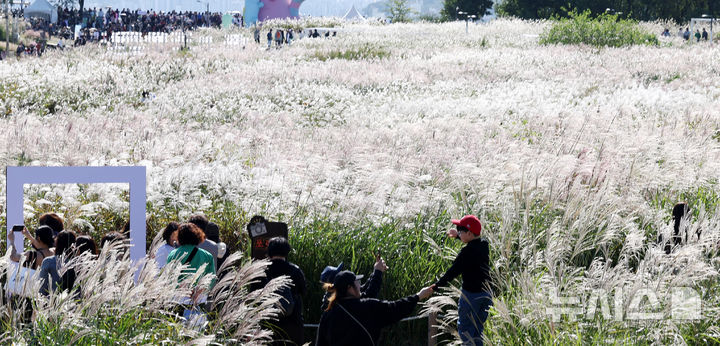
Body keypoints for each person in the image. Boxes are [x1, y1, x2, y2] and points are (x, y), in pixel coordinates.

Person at [316, 270, 433, 345]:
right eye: (357, 282)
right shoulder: (368, 306)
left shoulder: (328, 314)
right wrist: (418, 296)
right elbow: (396, 308)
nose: (360, 285)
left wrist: (376, 272)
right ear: (349, 288)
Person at [432, 215, 492, 345]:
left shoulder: (466, 253)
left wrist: (436, 286)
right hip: (486, 295)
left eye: (460, 230)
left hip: (472, 296)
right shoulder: (484, 244)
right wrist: (459, 236)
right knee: (477, 332)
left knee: (466, 331)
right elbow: (473, 242)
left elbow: (452, 273)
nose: (458, 231)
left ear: (469, 233)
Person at [251, 237, 306, 345]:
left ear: (269, 251)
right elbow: (303, 292)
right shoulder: (295, 270)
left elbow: (253, 297)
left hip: (268, 324)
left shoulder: (261, 271)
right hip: (292, 324)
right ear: (286, 251)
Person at [319, 254, 387, 311]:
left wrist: (376, 271)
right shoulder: (341, 302)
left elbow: (363, 288)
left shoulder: (338, 296)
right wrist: (377, 272)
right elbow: (369, 295)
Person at [166, 223, 216, 289]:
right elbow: (212, 280)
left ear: (179, 237)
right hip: (199, 295)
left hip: (178, 295)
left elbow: (169, 278)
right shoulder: (207, 255)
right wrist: (200, 291)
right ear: (197, 236)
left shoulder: (173, 254)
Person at [39, 230, 78, 295]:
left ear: (57, 243)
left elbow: (42, 288)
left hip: (52, 302)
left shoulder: (48, 261)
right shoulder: (77, 263)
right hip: (74, 303)